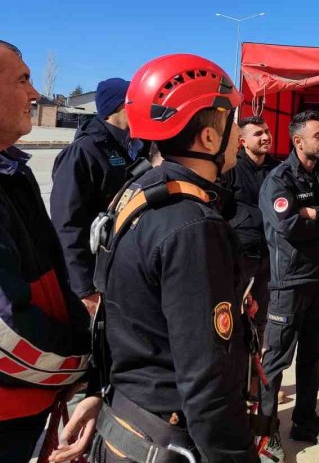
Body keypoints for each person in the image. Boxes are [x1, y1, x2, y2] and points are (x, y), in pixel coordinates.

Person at [93, 53, 257, 461]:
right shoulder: (192, 225)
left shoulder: (136, 194)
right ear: (207, 139)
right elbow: (208, 383)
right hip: (167, 435)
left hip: (128, 415)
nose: (238, 132)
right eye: (231, 121)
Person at [0, 40, 100, 463]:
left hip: (29, 401)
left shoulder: (12, 172)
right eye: (23, 80)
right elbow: (6, 333)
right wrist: (83, 363)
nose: (36, 93)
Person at [257, 110, 319, 455]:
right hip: (289, 284)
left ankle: (305, 422)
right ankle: (265, 433)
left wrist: (316, 213)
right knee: (275, 362)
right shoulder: (279, 180)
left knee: (312, 355)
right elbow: (288, 227)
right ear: (298, 142)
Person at [50, 77, 145, 315]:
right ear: (119, 107)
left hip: (129, 271)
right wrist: (84, 289)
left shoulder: (140, 146)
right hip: (98, 278)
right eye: (138, 102)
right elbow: (68, 225)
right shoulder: (83, 153)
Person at [221, 115, 279, 341]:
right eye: (258, 134)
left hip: (269, 257)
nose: (266, 137)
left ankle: (254, 371)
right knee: (231, 316)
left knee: (261, 317)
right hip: (239, 258)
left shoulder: (279, 171)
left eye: (267, 132)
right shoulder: (230, 169)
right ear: (242, 141)